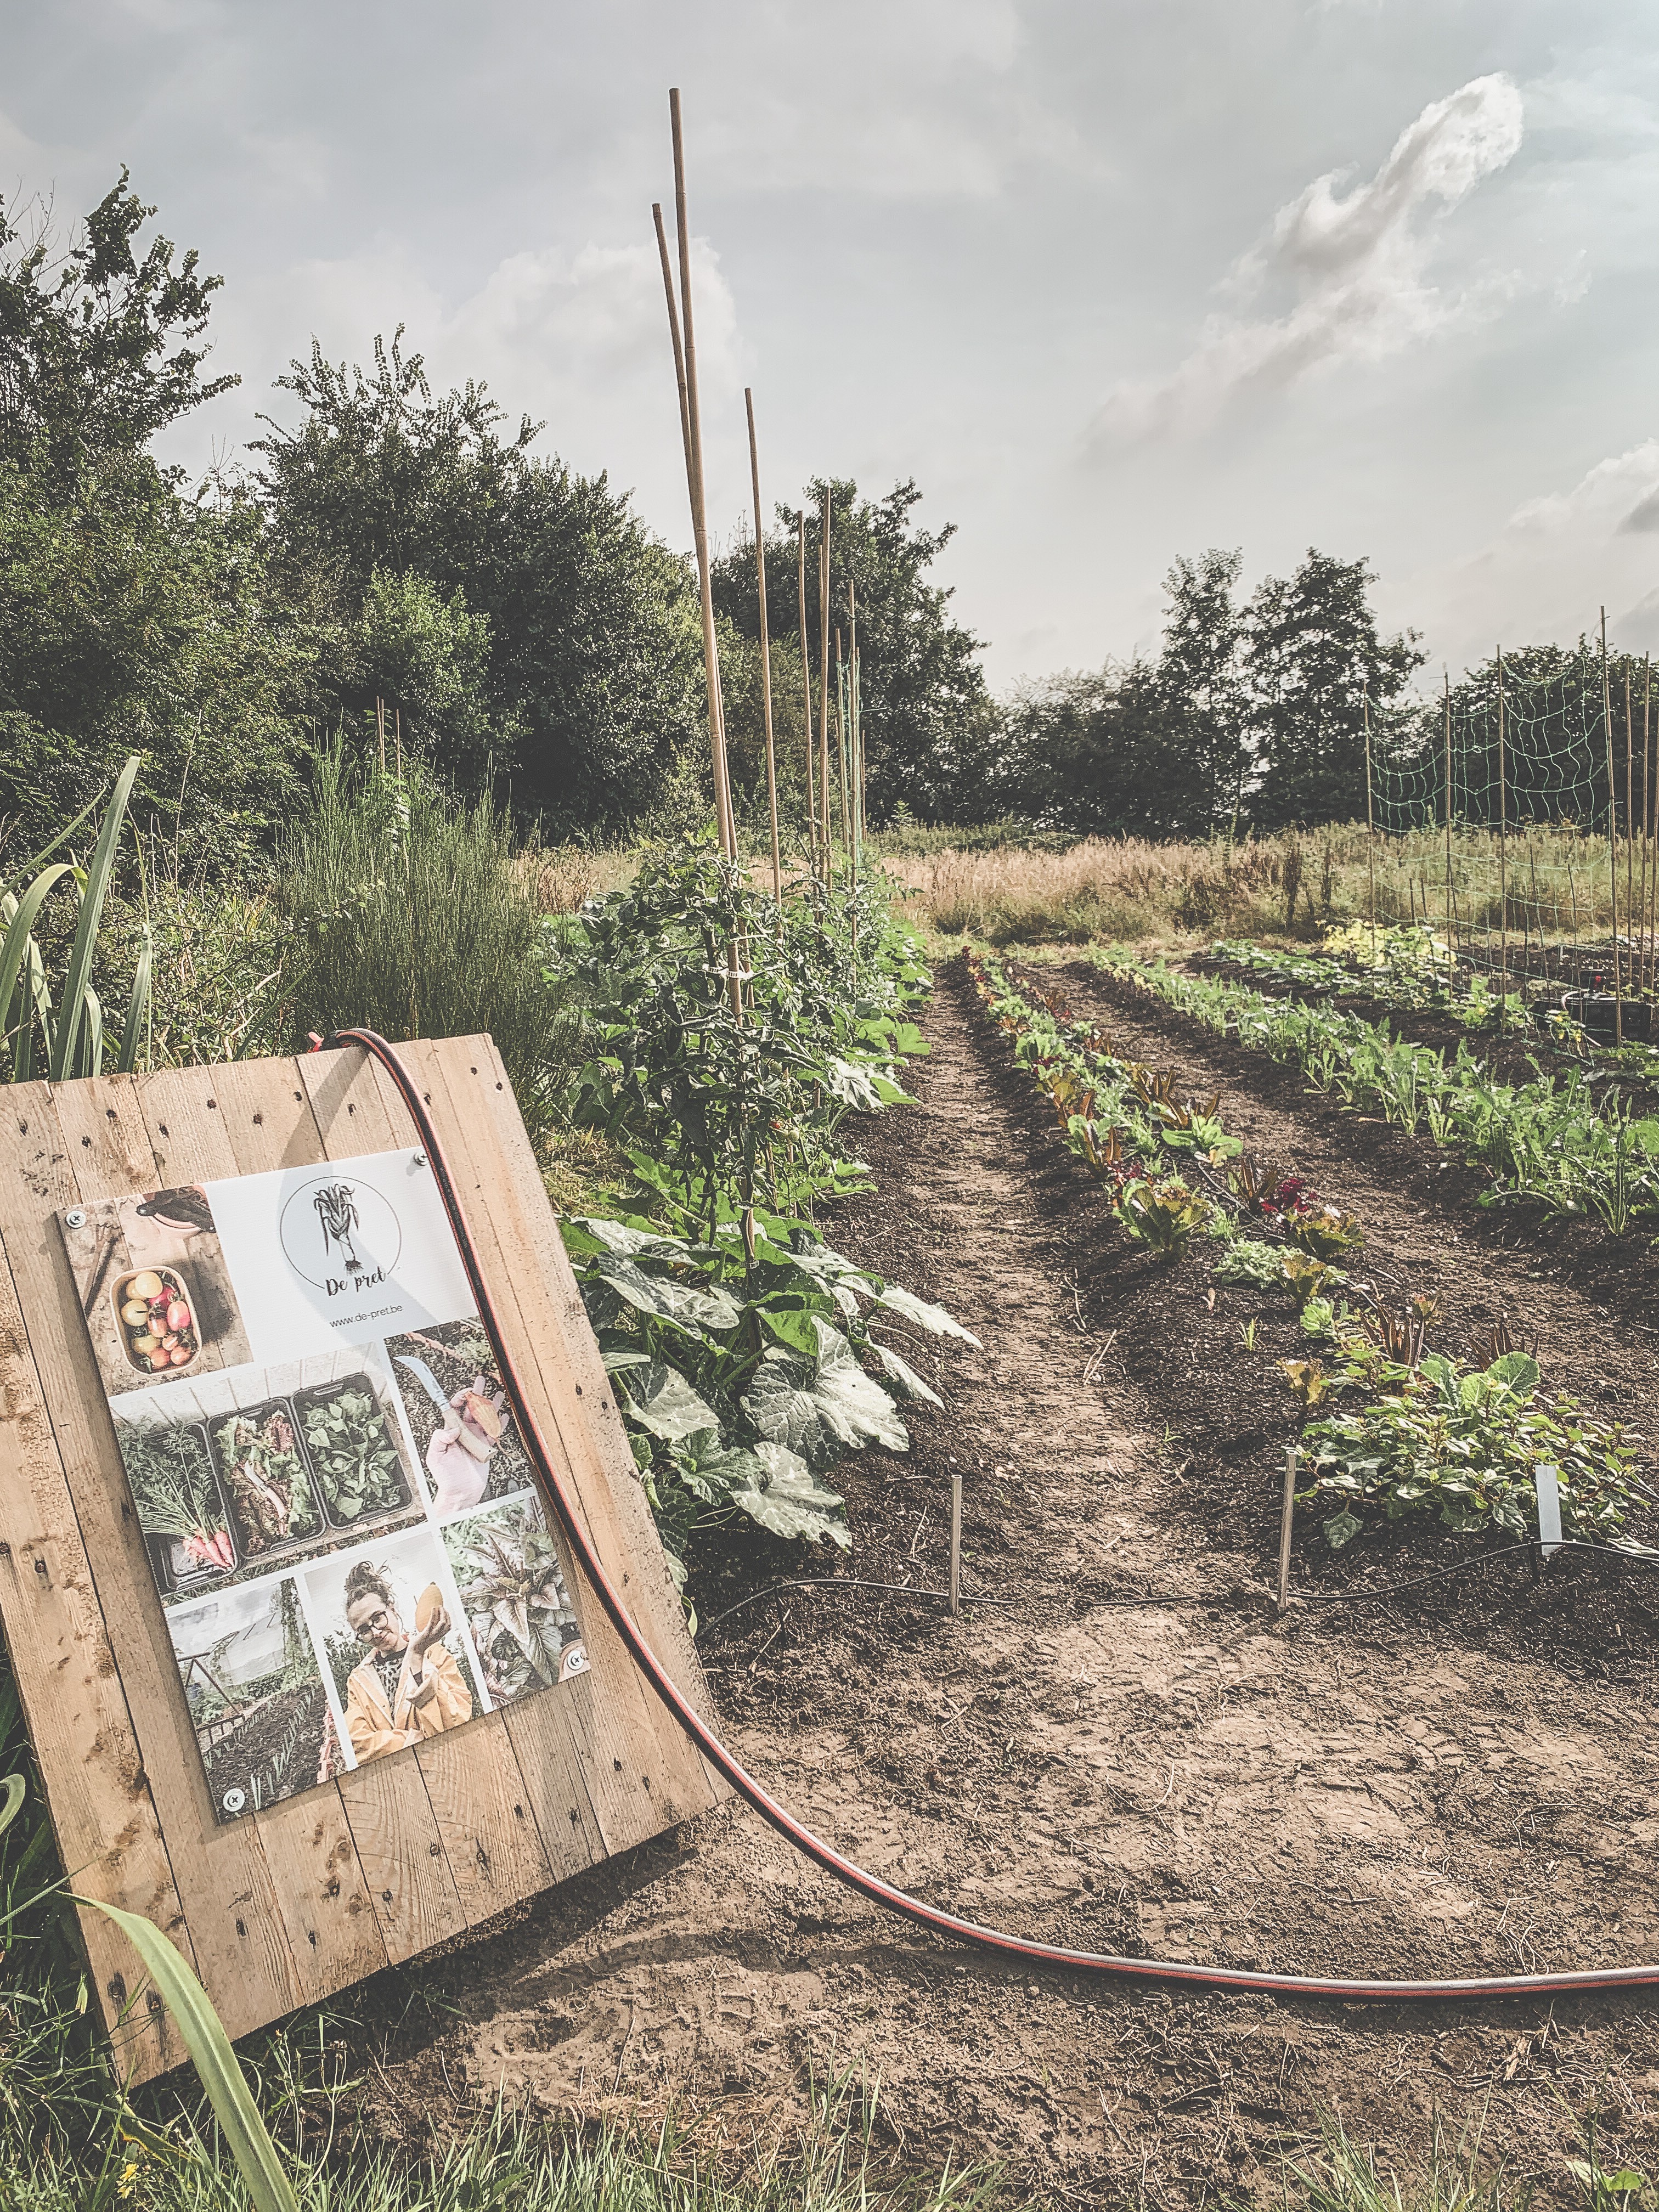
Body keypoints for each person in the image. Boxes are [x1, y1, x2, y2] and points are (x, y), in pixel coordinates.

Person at [340, 1560, 470, 1762]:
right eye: (364, 1630)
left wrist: (417, 1655)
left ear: (392, 1609)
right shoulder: (358, 1681)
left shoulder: (435, 1655)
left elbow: (457, 1719)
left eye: (377, 1618)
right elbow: (358, 1742)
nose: (375, 1632)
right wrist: (415, 1742)